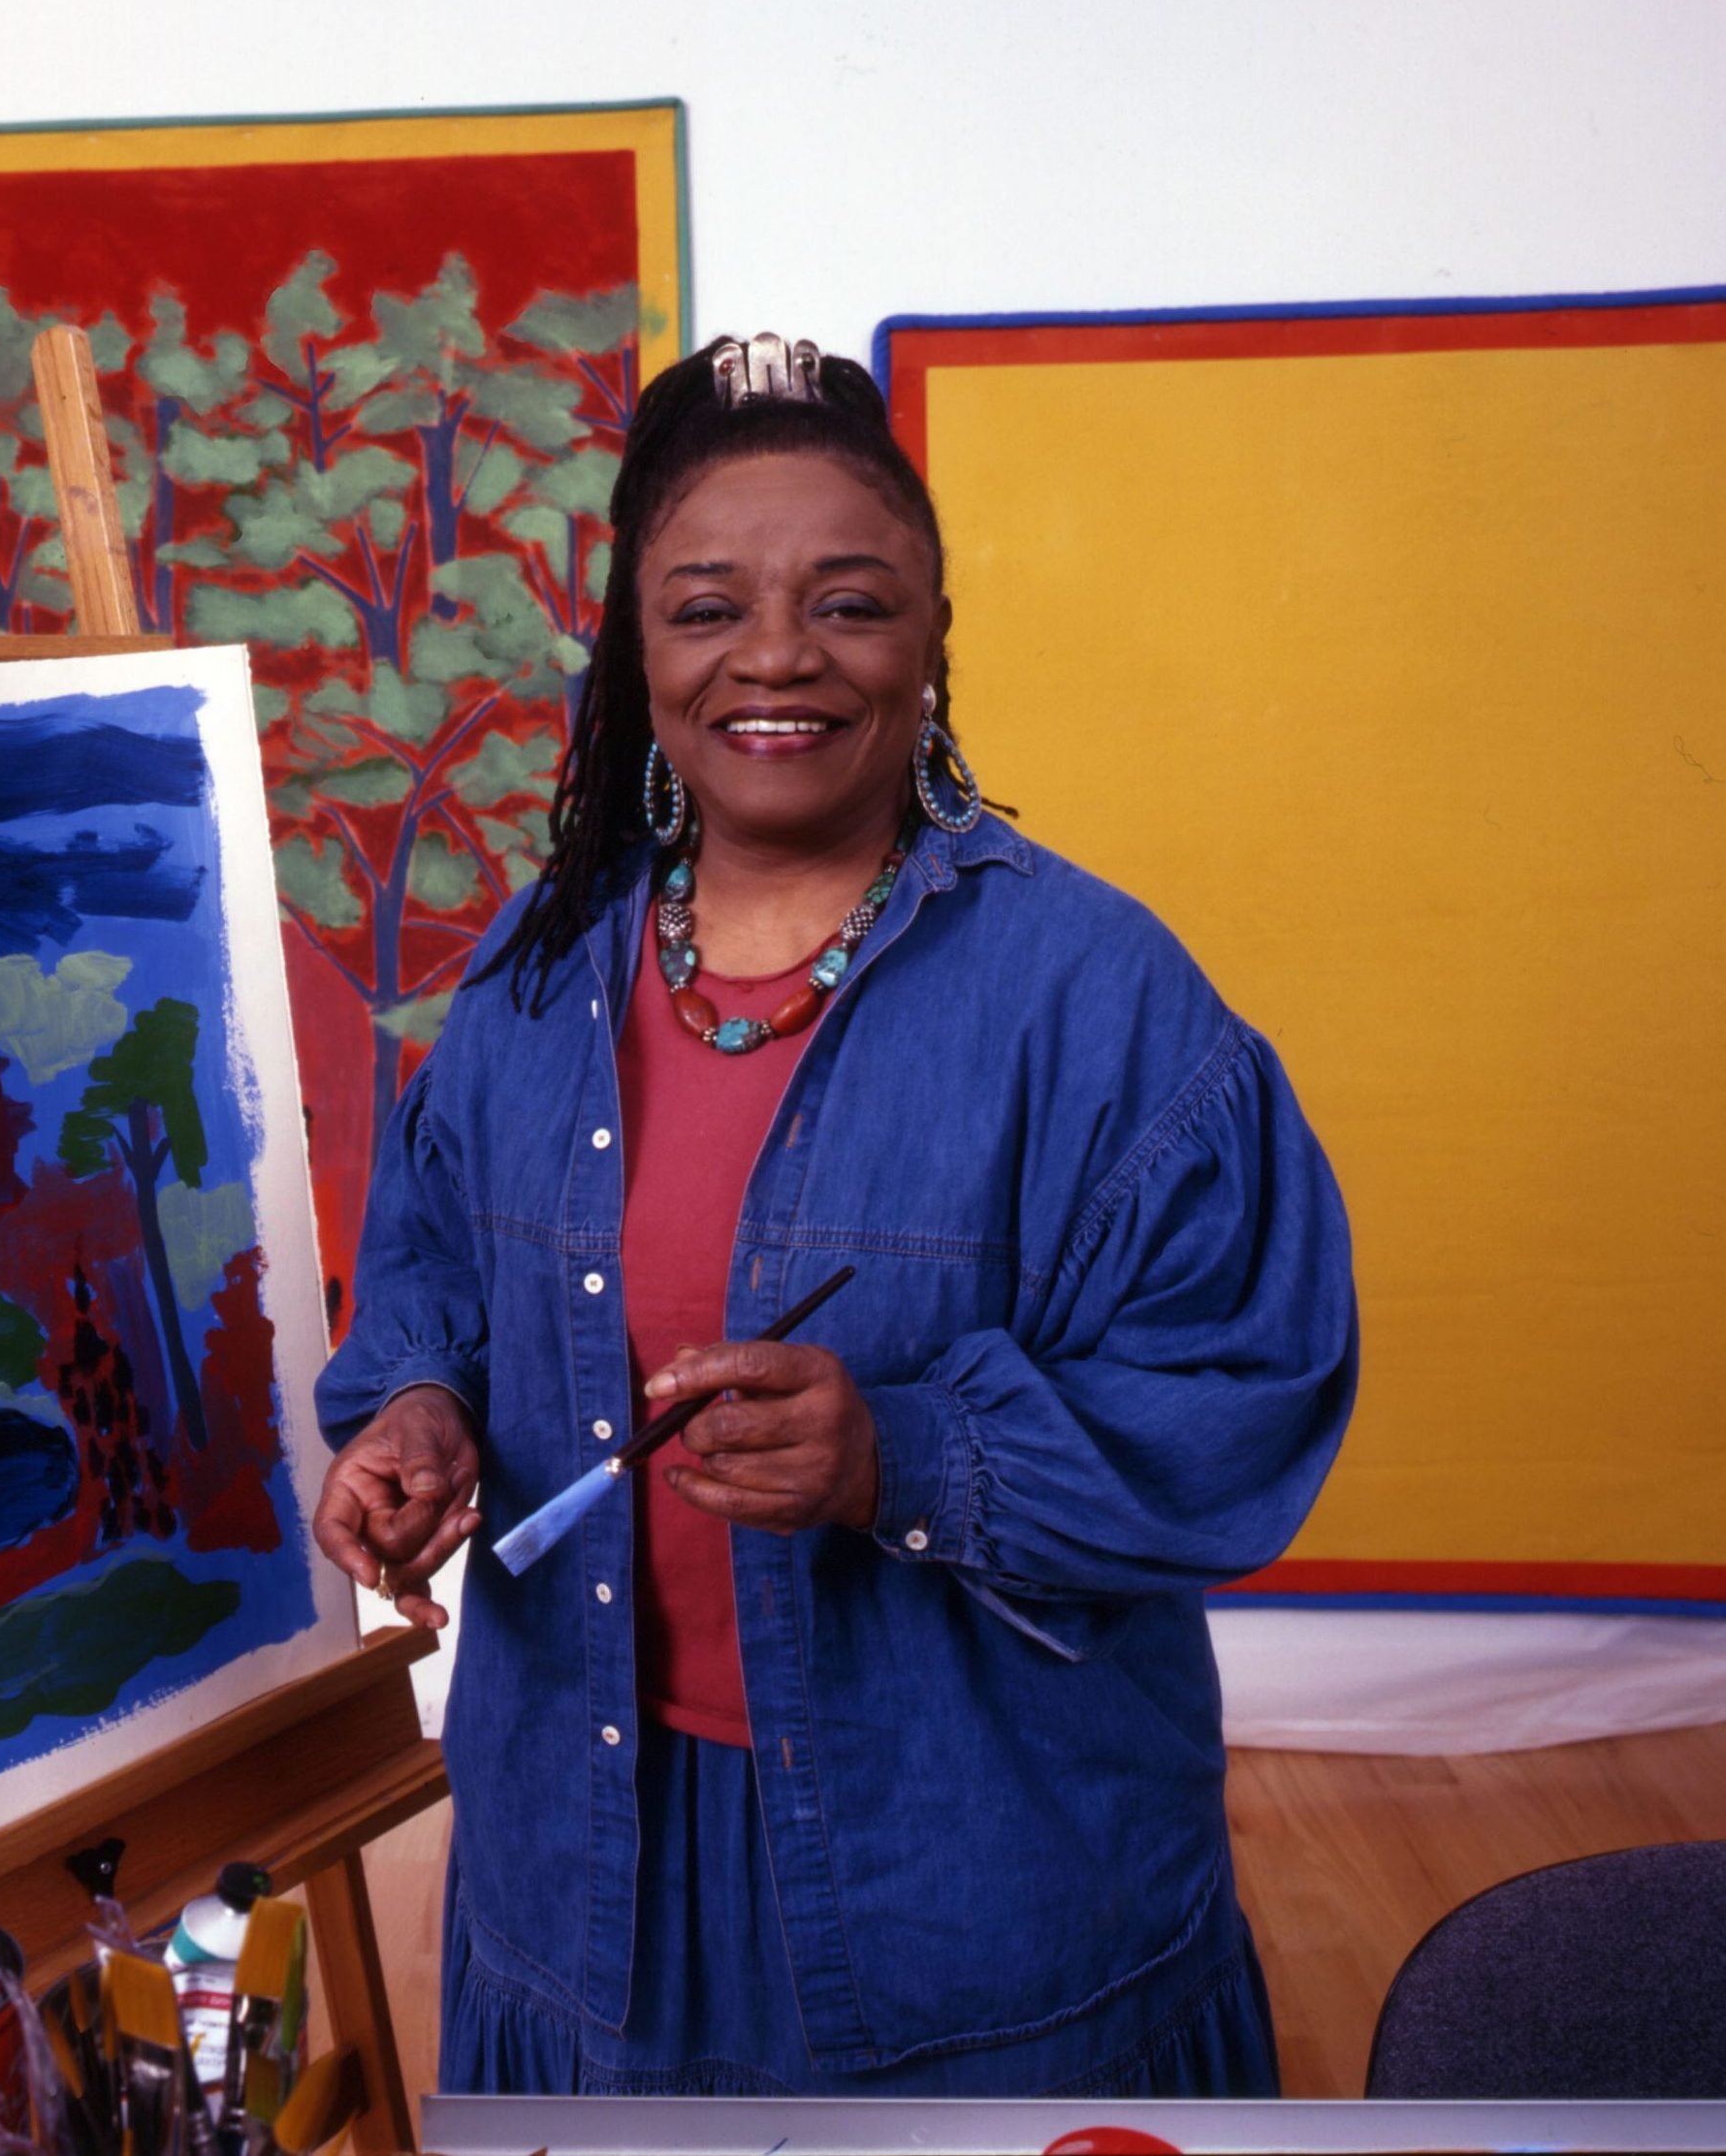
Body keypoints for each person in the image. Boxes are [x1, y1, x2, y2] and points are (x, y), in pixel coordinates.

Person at [311, 333, 1357, 2097]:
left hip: (975, 1882)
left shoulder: (1097, 996)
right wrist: (414, 1403)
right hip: (584, 1861)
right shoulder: (536, 967)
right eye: (707, 605)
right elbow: (422, 1262)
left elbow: (1243, 1399)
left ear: (932, 639)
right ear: (640, 653)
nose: (776, 655)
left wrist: (903, 1457)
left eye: (848, 603)